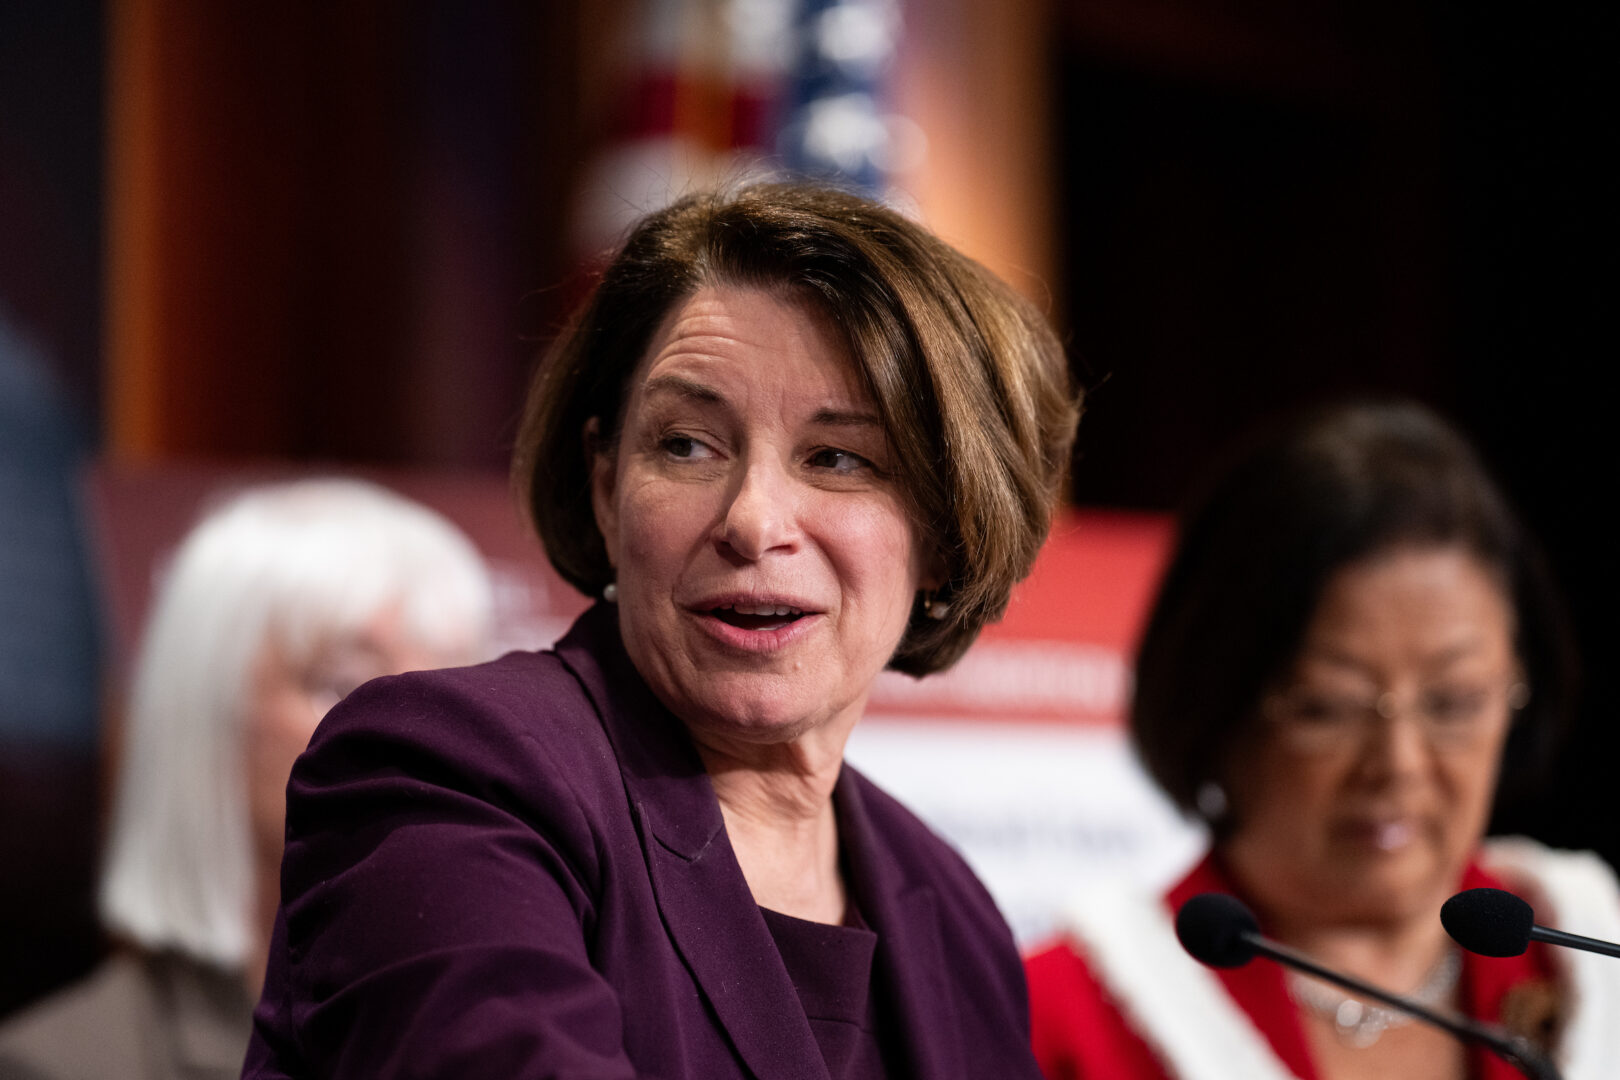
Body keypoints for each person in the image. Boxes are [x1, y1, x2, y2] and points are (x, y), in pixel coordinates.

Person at [242, 182, 1083, 1079]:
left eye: (838, 458)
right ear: (606, 487)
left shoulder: (953, 912)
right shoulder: (448, 772)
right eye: (686, 444)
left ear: (949, 538)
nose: (754, 521)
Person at [1025, 401, 1620, 1080]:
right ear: (1216, 703)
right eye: (1327, 708)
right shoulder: (1058, 1021)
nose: (1398, 764)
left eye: (1454, 702)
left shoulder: (1590, 965)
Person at [0, 479, 494, 1080]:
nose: (423, 735)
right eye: (343, 685)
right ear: (207, 723)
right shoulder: (61, 1066)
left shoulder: (513, 1028)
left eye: (453, 694)